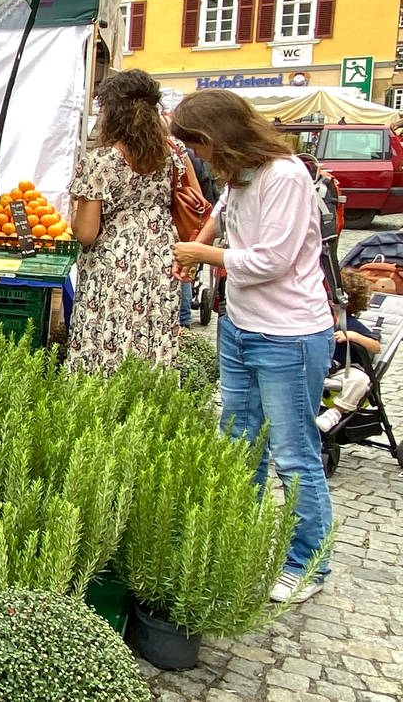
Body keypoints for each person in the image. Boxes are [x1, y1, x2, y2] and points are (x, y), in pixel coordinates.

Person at [171, 88, 334, 604]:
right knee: (240, 441)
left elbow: (272, 260)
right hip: (241, 327)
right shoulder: (240, 174)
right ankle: (241, 545)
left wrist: (202, 253)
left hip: (288, 334)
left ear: (221, 135)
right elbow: (220, 210)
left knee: (293, 455)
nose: (201, 156)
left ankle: (306, 564)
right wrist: (205, 240)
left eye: (200, 144)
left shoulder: (283, 175)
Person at [66, 69, 179, 373]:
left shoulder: (102, 162)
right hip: (159, 259)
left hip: (114, 265)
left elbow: (86, 233)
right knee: (151, 339)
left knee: (107, 340)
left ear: (112, 112)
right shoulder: (170, 157)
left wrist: (76, 211)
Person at [315, 268, 382, 432]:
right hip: (318, 366)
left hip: (345, 369)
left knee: (360, 380)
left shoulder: (350, 324)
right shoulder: (318, 318)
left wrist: (354, 336)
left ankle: (335, 412)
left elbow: (376, 346)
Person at [178, 146, 219, 327]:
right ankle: (183, 320)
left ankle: (184, 319)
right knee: (184, 269)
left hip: (177, 224)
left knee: (184, 263)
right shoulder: (182, 153)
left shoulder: (180, 152)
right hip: (184, 223)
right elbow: (202, 196)